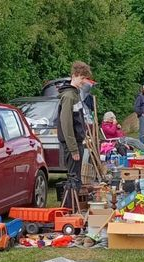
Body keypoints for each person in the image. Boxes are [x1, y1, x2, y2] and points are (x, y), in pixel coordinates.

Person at [57, 61, 94, 210]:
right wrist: (73, 149)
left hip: (78, 142)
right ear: (74, 76)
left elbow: (77, 120)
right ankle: (68, 211)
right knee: (73, 180)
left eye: (85, 79)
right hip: (71, 146)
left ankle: (71, 210)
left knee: (76, 179)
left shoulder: (75, 94)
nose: (83, 82)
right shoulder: (68, 96)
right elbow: (66, 125)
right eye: (82, 79)